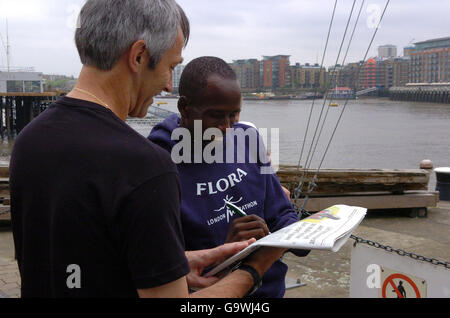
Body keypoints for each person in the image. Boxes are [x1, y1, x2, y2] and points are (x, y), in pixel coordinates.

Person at [10, 0, 286, 298]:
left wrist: (177, 263)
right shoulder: (144, 166)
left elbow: (82, 258)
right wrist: (253, 269)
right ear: (139, 56)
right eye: (171, 66)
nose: (169, 85)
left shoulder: (30, 141)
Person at [148, 56, 309, 298]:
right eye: (215, 115)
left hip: (269, 292)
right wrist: (228, 248)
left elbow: (281, 212)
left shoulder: (249, 139)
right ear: (184, 107)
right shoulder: (157, 165)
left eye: (234, 115)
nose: (226, 127)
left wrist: (307, 235)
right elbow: (164, 267)